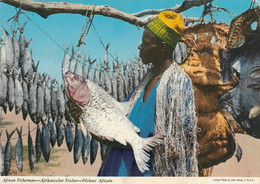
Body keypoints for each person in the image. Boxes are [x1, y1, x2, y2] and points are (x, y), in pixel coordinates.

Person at [98, 11, 198, 176]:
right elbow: (124, 116)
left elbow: (178, 140)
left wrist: (131, 143)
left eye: (145, 42)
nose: (140, 46)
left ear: (162, 47)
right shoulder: (145, 81)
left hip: (149, 171)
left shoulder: (179, 84)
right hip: (120, 166)